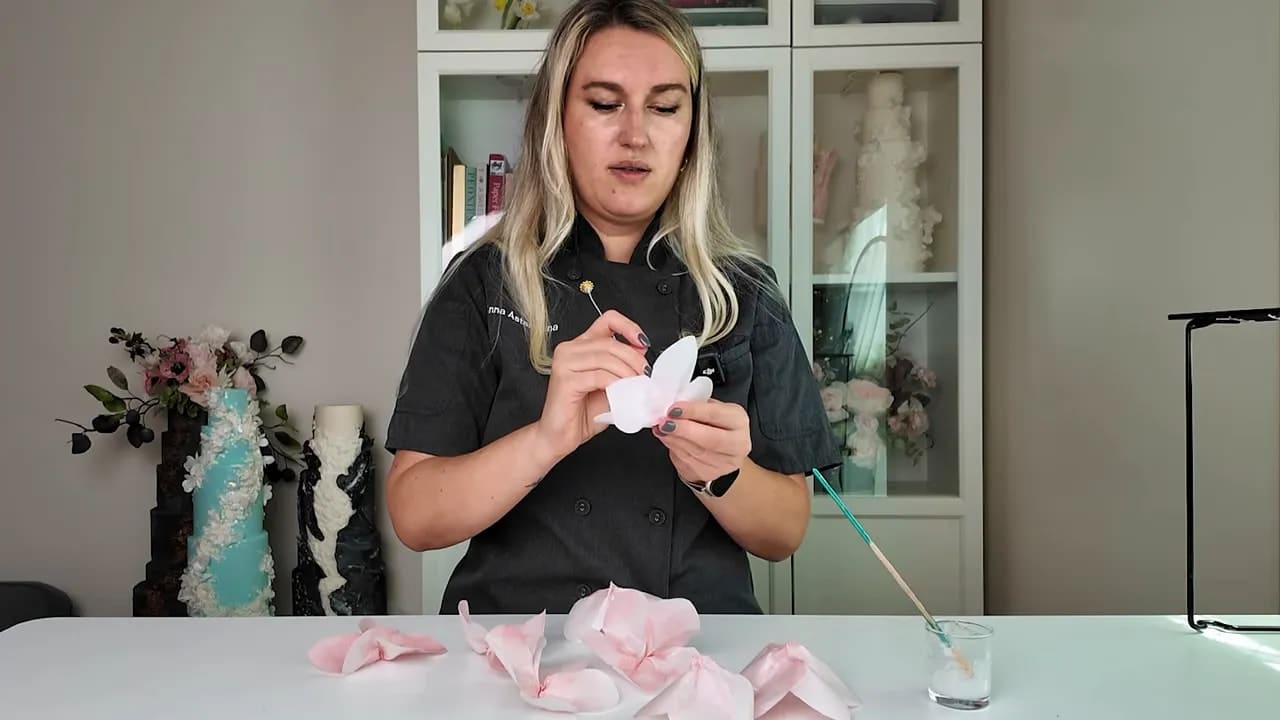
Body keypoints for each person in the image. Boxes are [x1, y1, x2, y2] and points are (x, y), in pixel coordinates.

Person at [385, 0, 840, 616]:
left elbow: (785, 531)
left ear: (690, 132)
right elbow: (414, 515)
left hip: (695, 651)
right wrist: (546, 440)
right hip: (519, 643)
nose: (635, 133)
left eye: (664, 106)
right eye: (604, 103)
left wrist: (719, 474)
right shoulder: (485, 283)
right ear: (557, 120)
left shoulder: (745, 292)